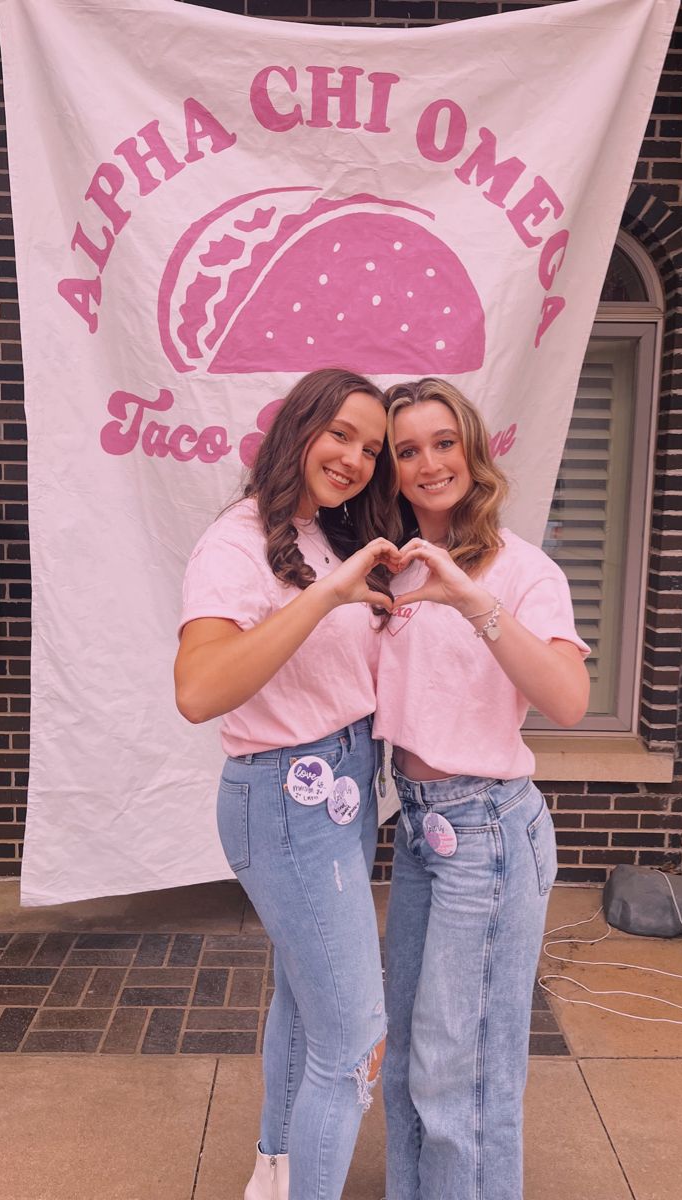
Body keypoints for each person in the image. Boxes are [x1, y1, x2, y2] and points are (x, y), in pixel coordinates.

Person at [174, 368, 398, 1200]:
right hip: (285, 797)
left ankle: (275, 1174)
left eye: (371, 447)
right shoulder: (237, 540)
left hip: (344, 786)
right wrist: (330, 596)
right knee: (353, 1043)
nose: (355, 457)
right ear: (299, 427)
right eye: (341, 433)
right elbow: (199, 691)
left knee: (308, 1007)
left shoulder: (326, 536)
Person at [375, 377, 590, 1200]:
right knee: (406, 1065)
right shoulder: (390, 571)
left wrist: (474, 602)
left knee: (458, 1068)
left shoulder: (524, 570)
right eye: (407, 450)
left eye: (442, 441)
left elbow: (568, 702)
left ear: (472, 448)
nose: (429, 463)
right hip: (421, 830)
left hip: (490, 831)